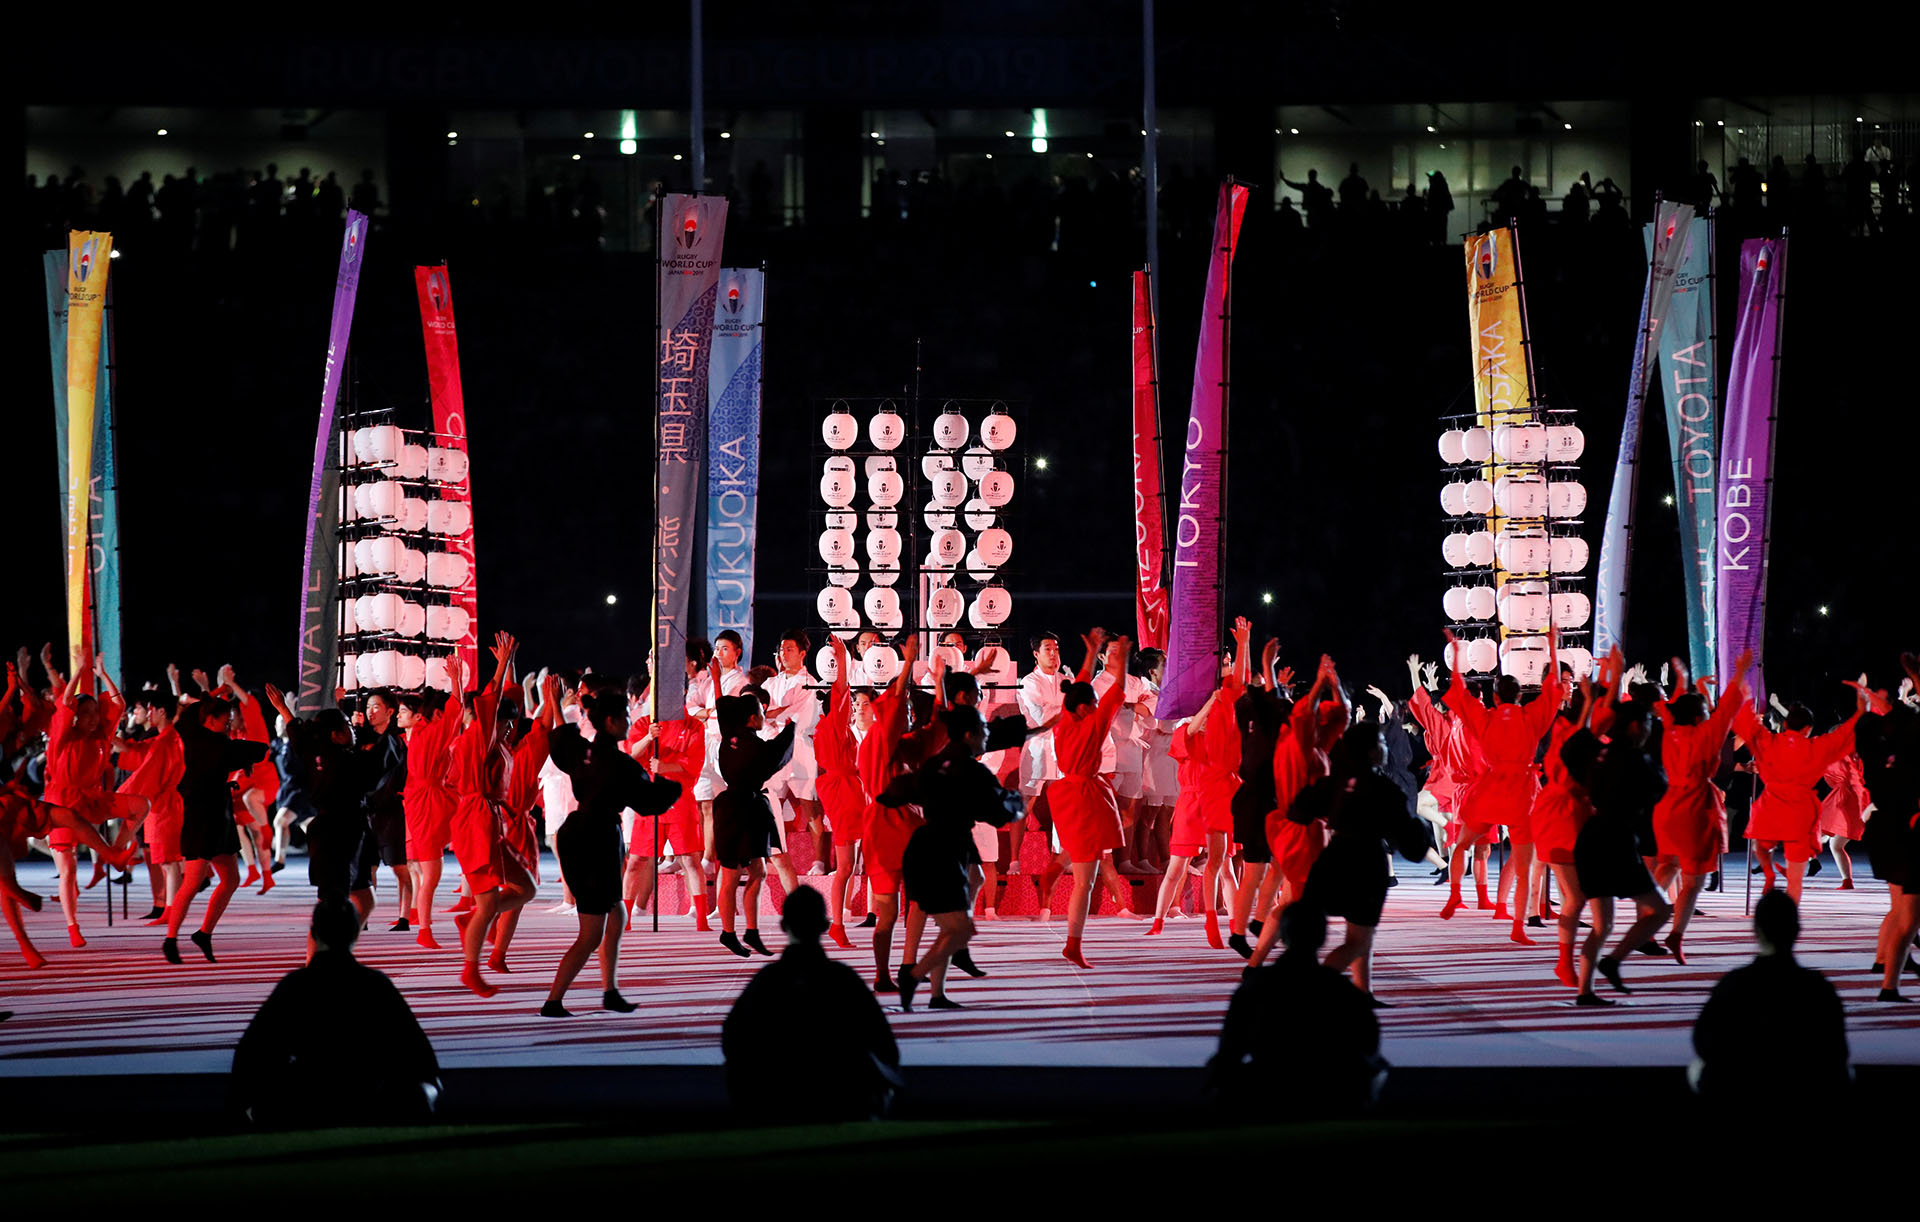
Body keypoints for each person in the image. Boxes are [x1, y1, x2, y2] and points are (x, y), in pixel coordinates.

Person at [230, 900, 441, 1128]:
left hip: (306, 1096)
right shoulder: (374, 984)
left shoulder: (297, 985)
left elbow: (251, 1052)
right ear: (355, 934)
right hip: (367, 1094)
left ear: (314, 934)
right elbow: (419, 1053)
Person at [544, 679, 682, 1016]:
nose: (626, 721)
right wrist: (673, 784)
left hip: (576, 833)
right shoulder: (620, 765)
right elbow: (652, 802)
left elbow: (561, 739)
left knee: (616, 910)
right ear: (610, 721)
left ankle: (609, 989)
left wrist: (550, 699)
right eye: (623, 716)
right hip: (597, 838)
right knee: (591, 932)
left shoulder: (585, 750)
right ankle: (553, 1000)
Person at [880, 704, 1023, 1009]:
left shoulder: (936, 763)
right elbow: (998, 813)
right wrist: (1017, 803)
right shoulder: (972, 770)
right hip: (944, 849)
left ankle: (936, 993)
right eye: (984, 731)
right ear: (970, 735)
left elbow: (903, 790)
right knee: (960, 929)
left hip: (926, 846)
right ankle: (914, 975)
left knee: (952, 926)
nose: (988, 736)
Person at [722, 887, 901, 1120]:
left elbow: (732, 1039)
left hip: (774, 1101)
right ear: (825, 926)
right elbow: (885, 1045)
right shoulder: (844, 980)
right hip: (840, 1100)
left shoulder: (768, 981)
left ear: (784, 926)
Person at [1294, 725, 1433, 1002]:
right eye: (1381, 742)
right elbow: (1412, 843)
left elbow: (1298, 809)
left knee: (1360, 934)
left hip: (1333, 858)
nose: (1384, 748)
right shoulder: (1384, 788)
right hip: (1366, 863)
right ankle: (1312, 990)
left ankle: (1362, 991)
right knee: (1359, 937)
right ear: (1371, 751)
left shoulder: (1335, 780)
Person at [1207, 903, 1384, 1118]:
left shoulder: (1258, 986)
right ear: (1322, 938)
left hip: (1268, 1085)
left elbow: (1230, 1048)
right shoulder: (1339, 989)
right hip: (1328, 1091)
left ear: (1282, 936)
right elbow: (1368, 1043)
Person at [1439, 630, 1560, 941]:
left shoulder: (1486, 717)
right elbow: (1552, 688)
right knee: (1522, 869)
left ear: (1494, 697)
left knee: (1462, 843)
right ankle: (1518, 927)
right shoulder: (1531, 716)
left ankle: (1455, 893)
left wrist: (1456, 653)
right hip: (1522, 791)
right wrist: (1552, 648)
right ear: (1520, 696)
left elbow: (1460, 693)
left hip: (1490, 789)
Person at [1689, 891, 1849, 1111]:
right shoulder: (1817, 986)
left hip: (1739, 1085)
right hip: (1805, 1087)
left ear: (1756, 931)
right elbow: (1837, 1050)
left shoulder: (1735, 983)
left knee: (1699, 1068)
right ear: (1797, 931)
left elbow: (1704, 1041)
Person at [448, 631, 537, 998]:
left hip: (491, 820)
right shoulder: (480, 737)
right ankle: (471, 969)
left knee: (526, 888)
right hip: (476, 820)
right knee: (487, 902)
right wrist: (500, 665)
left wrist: (510, 663)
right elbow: (495, 699)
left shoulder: (495, 738)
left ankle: (472, 923)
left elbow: (505, 698)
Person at [1148, 624, 1246, 946]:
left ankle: (1231, 924)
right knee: (1177, 866)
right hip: (1192, 803)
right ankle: (1159, 920)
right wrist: (1209, 705)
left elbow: (1237, 686)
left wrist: (1242, 646)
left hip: (1219, 798)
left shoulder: (1227, 724)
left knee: (1226, 867)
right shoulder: (1188, 723)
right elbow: (1188, 734)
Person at [1570, 700, 1671, 1002]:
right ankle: (1613, 960)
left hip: (1591, 836)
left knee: (1602, 925)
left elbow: (1572, 748)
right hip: (1617, 839)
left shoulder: (1598, 752)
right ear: (1637, 726)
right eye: (1649, 725)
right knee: (1662, 909)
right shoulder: (1637, 758)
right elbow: (1659, 787)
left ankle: (1585, 990)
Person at [1042, 630, 1134, 967]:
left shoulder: (1065, 720)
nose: (1097, 704)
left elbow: (1081, 683)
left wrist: (1092, 651)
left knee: (1088, 854)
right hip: (1086, 795)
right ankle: (1072, 944)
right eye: (1092, 703)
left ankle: (1059, 863)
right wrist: (1120, 660)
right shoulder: (1091, 724)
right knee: (1085, 882)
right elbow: (1118, 692)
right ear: (1085, 707)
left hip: (1069, 792)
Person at [1650, 652, 1749, 962]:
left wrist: (1682, 682)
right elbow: (1729, 708)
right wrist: (1740, 672)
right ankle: (1676, 932)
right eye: (1705, 711)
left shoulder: (1670, 729)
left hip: (1668, 806)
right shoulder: (1706, 732)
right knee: (1695, 880)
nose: (1709, 714)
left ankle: (1648, 918)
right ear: (1698, 716)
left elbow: (1672, 708)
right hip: (1695, 806)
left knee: (1668, 866)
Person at [163, 691, 271, 963]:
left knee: (228, 879)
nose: (229, 723)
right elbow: (260, 749)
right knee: (193, 881)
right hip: (205, 817)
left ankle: (201, 933)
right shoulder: (220, 745)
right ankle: (171, 938)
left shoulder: (190, 732)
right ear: (211, 719)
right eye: (226, 718)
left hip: (211, 815)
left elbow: (189, 714)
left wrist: (211, 696)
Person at [42, 656, 143, 945]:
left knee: (140, 806)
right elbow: (64, 704)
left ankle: (116, 852)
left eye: (96, 713)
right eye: (86, 713)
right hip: (60, 805)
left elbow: (120, 706)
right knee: (68, 870)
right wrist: (76, 672)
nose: (93, 718)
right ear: (74, 717)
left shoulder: (101, 735)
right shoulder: (63, 736)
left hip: (90, 801)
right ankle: (73, 926)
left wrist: (103, 674)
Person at [1736, 685, 1863, 902]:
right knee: (1796, 874)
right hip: (1800, 811)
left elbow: (1745, 723)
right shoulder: (1816, 748)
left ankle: (1768, 873)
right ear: (1809, 729)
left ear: (1785, 725)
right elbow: (1847, 733)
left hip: (1771, 805)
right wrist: (1862, 707)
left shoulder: (1770, 742)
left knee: (1761, 845)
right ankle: (1789, 909)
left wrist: (1740, 686)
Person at [709, 681, 797, 959]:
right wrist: (791, 728)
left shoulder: (729, 733)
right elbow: (777, 754)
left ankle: (751, 931)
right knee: (732, 876)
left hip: (739, 808)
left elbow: (723, 706)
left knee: (758, 871)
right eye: (761, 713)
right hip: (741, 809)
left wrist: (715, 676)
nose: (763, 716)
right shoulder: (756, 747)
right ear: (751, 718)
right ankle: (728, 932)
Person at [397, 665, 462, 948]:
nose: (398, 716)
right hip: (428, 804)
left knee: (428, 872)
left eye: (402, 711)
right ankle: (424, 928)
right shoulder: (429, 735)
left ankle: (424, 925)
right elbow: (455, 713)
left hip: (424, 801)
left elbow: (453, 714)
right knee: (429, 874)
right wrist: (457, 682)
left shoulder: (422, 735)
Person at [814, 636, 866, 946]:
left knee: (848, 864)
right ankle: (838, 923)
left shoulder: (835, 727)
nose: (852, 708)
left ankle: (840, 923)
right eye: (849, 705)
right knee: (845, 865)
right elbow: (842, 689)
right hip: (844, 792)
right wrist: (843, 658)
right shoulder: (833, 724)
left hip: (845, 790)